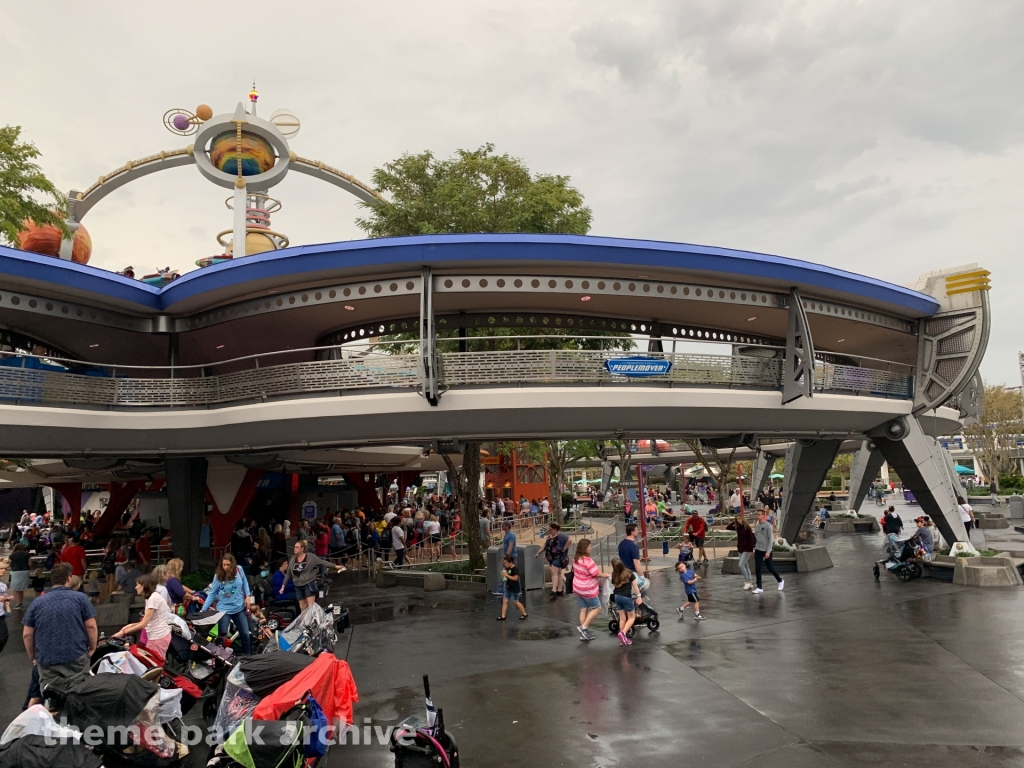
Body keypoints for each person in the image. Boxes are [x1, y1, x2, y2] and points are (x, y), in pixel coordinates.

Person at [21, 563, 98, 691]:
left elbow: (27, 634)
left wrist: (33, 657)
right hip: (76, 655)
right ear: (69, 578)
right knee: (79, 694)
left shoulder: (37, 602)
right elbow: (91, 626)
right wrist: (92, 648)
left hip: (46, 659)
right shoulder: (80, 598)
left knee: (51, 695)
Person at [201, 554, 253, 654]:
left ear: (232, 564)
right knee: (222, 637)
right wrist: (203, 610)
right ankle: (223, 659)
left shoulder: (239, 570)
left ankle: (248, 656)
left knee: (245, 634)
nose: (225, 567)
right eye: (223, 565)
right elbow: (212, 593)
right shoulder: (218, 576)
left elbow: (245, 583)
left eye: (228, 565)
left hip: (239, 608)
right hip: (224, 610)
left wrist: (248, 596)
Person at [112, 573, 172, 657]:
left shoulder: (153, 599)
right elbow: (148, 621)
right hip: (157, 635)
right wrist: (130, 625)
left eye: (137, 585)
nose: (135, 587)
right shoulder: (151, 597)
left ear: (144, 586)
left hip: (158, 636)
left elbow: (144, 624)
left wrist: (123, 632)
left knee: (154, 664)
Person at [278, 540, 345, 612]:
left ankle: (311, 622)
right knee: (302, 607)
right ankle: (305, 622)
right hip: (298, 585)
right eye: (294, 547)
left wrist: (335, 566)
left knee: (310, 607)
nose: (294, 548)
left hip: (308, 584)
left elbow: (322, 562)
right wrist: (283, 586)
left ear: (302, 549)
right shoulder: (292, 559)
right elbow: (288, 573)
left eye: (297, 547)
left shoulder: (310, 557)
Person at [572, 539, 606, 641]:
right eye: (589, 546)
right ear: (585, 548)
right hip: (588, 589)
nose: (591, 548)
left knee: (583, 609)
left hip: (578, 587)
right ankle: (584, 627)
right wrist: (605, 575)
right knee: (597, 608)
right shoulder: (588, 561)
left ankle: (584, 633)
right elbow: (596, 573)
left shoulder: (576, 559)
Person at [610, 557, 642, 647]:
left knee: (622, 618)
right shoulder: (628, 572)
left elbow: (613, 584)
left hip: (617, 597)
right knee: (631, 617)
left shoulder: (614, 575)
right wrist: (639, 596)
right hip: (626, 597)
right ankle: (623, 633)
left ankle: (622, 640)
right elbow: (635, 585)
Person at [752, 509, 783, 594]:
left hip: (766, 549)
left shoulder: (768, 525)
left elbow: (770, 539)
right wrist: (754, 548)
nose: (757, 516)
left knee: (770, 567)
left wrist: (768, 551)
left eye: (759, 514)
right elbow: (756, 537)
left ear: (763, 515)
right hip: (758, 549)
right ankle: (759, 587)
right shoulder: (757, 525)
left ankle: (780, 580)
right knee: (758, 568)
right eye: (757, 514)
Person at [537, 522, 570, 600]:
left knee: (554, 573)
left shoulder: (561, 535)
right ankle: (559, 589)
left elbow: (570, 540)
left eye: (551, 529)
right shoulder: (549, 537)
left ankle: (554, 589)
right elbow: (545, 545)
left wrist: (564, 548)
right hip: (552, 558)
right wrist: (538, 552)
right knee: (558, 573)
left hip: (557, 557)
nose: (550, 531)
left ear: (556, 529)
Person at [617, 523, 649, 592]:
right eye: (636, 530)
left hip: (623, 573)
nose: (638, 531)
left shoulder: (621, 544)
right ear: (632, 532)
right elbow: (637, 564)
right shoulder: (633, 546)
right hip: (632, 574)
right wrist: (642, 577)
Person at [726, 514, 756, 590]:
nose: (738, 520)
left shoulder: (747, 527)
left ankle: (747, 581)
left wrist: (751, 550)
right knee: (746, 566)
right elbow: (728, 527)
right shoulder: (738, 527)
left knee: (741, 565)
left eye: (739, 519)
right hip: (740, 548)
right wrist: (734, 522)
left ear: (742, 519)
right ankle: (750, 582)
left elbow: (751, 539)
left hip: (746, 549)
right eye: (737, 519)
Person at [496, 554, 528, 621]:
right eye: (504, 563)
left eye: (506, 563)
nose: (505, 564)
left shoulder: (515, 569)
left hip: (514, 588)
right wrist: (503, 574)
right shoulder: (507, 568)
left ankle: (524, 613)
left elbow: (515, 578)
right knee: (505, 600)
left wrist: (506, 575)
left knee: (516, 602)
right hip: (508, 587)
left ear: (510, 562)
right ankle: (503, 616)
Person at [8, 543, 30, 609]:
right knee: (21, 589)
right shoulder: (27, 554)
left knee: (16, 589)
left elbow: (9, 564)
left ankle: (18, 603)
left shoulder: (12, 555)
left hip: (16, 572)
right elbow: (30, 564)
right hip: (25, 571)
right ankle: (20, 602)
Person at [0, 560, 10, 653]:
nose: (4, 571)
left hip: (1, 614)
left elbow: (4, 596)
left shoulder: (3, 584)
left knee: (4, 636)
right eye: (1, 568)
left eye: (4, 569)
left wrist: (7, 599)